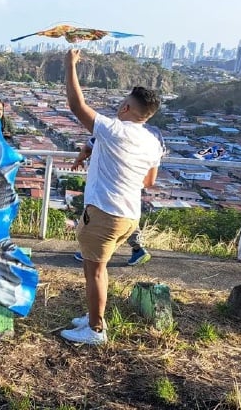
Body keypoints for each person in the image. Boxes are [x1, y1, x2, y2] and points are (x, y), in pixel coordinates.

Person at [61, 49, 163, 345]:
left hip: (106, 213)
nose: (120, 106)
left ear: (129, 108)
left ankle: (94, 330)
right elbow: (150, 180)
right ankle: (94, 317)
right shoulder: (152, 141)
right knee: (96, 267)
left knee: (94, 271)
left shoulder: (115, 130)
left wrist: (70, 65)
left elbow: (76, 104)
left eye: (124, 103)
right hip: (129, 215)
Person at [70, 131, 165, 266]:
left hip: (107, 184)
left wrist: (79, 159)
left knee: (97, 217)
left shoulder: (109, 129)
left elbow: (88, 147)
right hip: (129, 185)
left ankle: (91, 252)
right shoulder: (152, 135)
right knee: (124, 215)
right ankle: (137, 248)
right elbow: (150, 178)